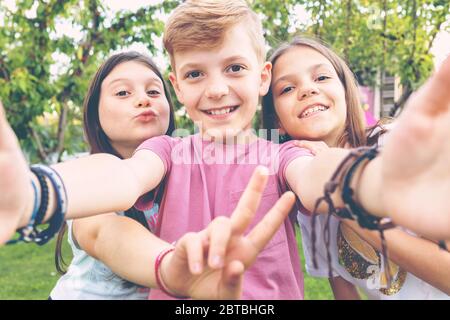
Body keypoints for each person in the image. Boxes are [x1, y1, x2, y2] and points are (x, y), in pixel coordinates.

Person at [0, 0, 449, 299]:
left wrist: (373, 179)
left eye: (234, 67)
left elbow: (318, 178)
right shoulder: (166, 152)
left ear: (261, 77)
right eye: (195, 75)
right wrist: (40, 191)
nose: (216, 90)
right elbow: (121, 177)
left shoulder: (282, 154)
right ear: (176, 86)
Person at [261, 36, 450, 299]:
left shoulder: (391, 145)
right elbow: (342, 288)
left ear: (345, 89)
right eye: (287, 89)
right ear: (276, 121)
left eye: (322, 78)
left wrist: (345, 206)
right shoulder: (306, 202)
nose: (306, 89)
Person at [50, 51, 176, 299]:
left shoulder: (188, 166)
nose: (142, 99)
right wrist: (175, 267)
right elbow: (102, 234)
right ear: (95, 116)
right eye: (122, 93)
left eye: (153, 91)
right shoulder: (93, 174)